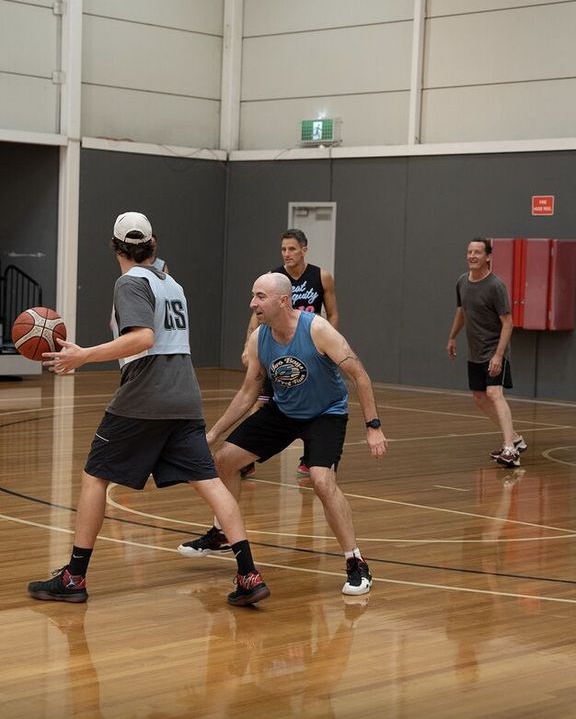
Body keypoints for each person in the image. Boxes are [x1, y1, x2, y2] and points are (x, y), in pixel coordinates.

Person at [27, 211, 269, 607]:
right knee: (210, 484)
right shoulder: (171, 283)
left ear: (115, 247)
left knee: (95, 478)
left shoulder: (129, 282)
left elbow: (142, 338)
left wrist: (84, 355)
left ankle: (73, 577)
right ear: (152, 244)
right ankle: (248, 573)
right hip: (185, 397)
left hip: (145, 395)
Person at [178, 272, 388, 596]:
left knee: (321, 480)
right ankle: (222, 533)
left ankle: (356, 562)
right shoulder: (259, 338)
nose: (253, 303)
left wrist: (373, 427)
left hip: (325, 413)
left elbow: (359, 374)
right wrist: (214, 433)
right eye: (253, 295)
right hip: (284, 411)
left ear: (283, 300)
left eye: (260, 296)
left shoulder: (317, 329)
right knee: (224, 462)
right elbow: (248, 392)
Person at [240, 229, 339, 478]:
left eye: (292, 248)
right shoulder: (274, 278)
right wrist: (246, 346)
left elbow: (333, 313)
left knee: (309, 402)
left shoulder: (321, 276)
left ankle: (310, 458)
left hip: (308, 345)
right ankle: (247, 458)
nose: (287, 254)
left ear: (304, 249)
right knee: (261, 399)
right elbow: (256, 314)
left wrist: (329, 345)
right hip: (276, 346)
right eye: (283, 249)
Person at [446, 237, 526, 468]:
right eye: (469, 251)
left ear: (488, 257)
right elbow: (462, 311)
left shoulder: (495, 286)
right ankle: (516, 438)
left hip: (494, 350)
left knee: (494, 393)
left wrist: (499, 355)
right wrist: (452, 336)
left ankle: (510, 450)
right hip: (475, 351)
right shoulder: (462, 282)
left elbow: (508, 323)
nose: (472, 256)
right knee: (479, 398)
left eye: (477, 252)